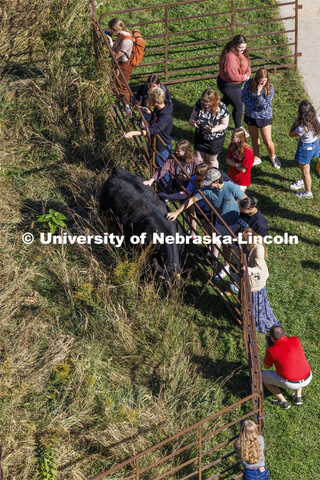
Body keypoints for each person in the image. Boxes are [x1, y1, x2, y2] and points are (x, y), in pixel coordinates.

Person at [167, 169, 245, 277]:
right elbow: (191, 200)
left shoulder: (232, 188)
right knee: (224, 245)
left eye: (210, 182)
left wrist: (244, 220)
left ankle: (238, 270)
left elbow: (245, 201)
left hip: (234, 223)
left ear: (217, 181)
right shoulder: (207, 190)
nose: (206, 184)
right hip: (219, 222)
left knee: (235, 248)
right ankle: (227, 266)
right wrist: (177, 212)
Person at [124, 86, 173, 189]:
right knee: (156, 164)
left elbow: (153, 130)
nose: (146, 100)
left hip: (162, 147)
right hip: (156, 143)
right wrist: (147, 123)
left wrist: (133, 133)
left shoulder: (165, 117)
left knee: (163, 168)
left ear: (155, 101)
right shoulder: (158, 109)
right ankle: (161, 185)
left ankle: (166, 189)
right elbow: (153, 123)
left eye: (149, 98)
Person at [241, 228, 281, 333]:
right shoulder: (252, 244)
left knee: (255, 302)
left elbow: (260, 269)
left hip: (256, 281)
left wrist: (247, 269)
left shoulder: (258, 249)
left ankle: (255, 321)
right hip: (253, 279)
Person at [262, 325, 312, 409]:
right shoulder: (295, 339)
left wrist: (268, 347)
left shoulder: (272, 350)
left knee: (263, 376)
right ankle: (298, 396)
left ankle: (284, 402)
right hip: (307, 377)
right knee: (297, 365)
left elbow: (267, 366)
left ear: (272, 338)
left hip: (290, 383)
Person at [241, 68, 280, 168]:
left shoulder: (270, 88)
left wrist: (258, 94)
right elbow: (243, 97)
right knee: (254, 138)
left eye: (265, 80)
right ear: (256, 78)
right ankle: (256, 157)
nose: (263, 82)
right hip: (251, 115)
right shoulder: (249, 83)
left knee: (267, 140)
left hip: (264, 117)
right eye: (261, 80)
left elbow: (265, 106)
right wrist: (256, 104)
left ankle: (272, 156)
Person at [217, 34, 251, 128]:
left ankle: (213, 112)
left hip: (236, 85)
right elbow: (231, 75)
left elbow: (247, 63)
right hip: (229, 85)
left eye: (244, 48)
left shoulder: (241, 52)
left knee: (227, 100)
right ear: (234, 44)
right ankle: (238, 128)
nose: (242, 50)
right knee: (239, 104)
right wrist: (244, 78)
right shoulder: (230, 57)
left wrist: (248, 72)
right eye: (240, 47)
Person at [190, 88, 229, 168]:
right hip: (200, 135)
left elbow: (224, 124)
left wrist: (212, 130)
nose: (205, 104)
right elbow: (194, 115)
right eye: (204, 101)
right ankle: (201, 175)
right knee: (199, 158)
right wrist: (193, 121)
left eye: (208, 102)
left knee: (211, 160)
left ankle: (213, 177)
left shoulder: (222, 107)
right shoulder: (199, 103)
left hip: (214, 138)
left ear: (214, 100)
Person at [289, 100, 320, 199]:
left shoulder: (302, 127)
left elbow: (290, 134)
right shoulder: (317, 118)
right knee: (302, 165)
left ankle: (308, 192)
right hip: (314, 144)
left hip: (305, 148)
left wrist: (295, 121)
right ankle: (303, 180)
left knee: (306, 171)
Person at [108, 18, 134, 106]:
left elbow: (115, 56)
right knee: (116, 82)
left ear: (115, 29)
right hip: (120, 63)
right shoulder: (121, 35)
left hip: (124, 65)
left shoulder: (126, 41)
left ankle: (128, 106)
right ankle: (119, 102)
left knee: (122, 86)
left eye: (111, 29)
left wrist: (110, 42)